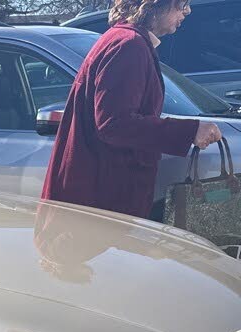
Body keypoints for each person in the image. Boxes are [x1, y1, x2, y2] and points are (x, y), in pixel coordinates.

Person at [42, 0, 223, 219]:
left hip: (99, 195)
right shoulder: (129, 45)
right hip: (103, 202)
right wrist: (190, 131)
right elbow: (114, 124)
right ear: (155, 4)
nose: (187, 10)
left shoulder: (125, 39)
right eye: (182, 3)